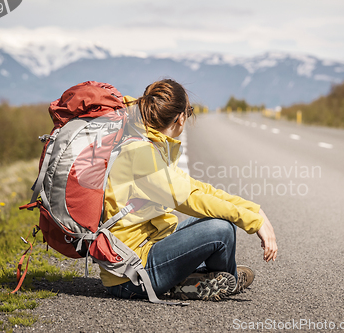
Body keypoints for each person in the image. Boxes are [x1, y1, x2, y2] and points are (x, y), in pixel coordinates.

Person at [102, 78, 278, 301]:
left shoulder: (146, 143)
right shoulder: (140, 152)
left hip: (148, 248)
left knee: (223, 223)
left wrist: (252, 210)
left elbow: (196, 187)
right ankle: (221, 279)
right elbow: (188, 198)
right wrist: (253, 222)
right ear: (181, 117)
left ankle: (202, 280)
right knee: (221, 230)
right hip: (131, 274)